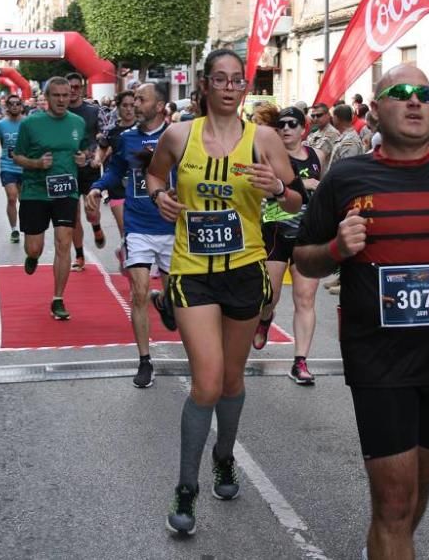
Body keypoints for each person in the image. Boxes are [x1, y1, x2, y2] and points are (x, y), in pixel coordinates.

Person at [293, 64, 429, 560]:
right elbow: (303, 257)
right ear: (376, 107)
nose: (415, 101)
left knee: (417, 492)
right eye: (401, 93)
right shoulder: (348, 177)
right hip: (379, 359)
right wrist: (335, 247)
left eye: (425, 93)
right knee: (393, 505)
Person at [146, 49, 302, 536]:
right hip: (192, 272)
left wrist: (276, 189)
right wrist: (159, 196)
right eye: (221, 79)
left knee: (233, 382)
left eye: (238, 80)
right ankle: (186, 488)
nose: (230, 87)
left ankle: (225, 457)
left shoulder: (265, 139)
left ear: (244, 87)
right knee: (207, 383)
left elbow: (298, 198)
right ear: (205, 84)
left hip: (244, 270)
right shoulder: (179, 135)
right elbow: (154, 174)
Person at [86, 82, 175, 389]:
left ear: (160, 106)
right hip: (137, 226)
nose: (135, 103)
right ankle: (144, 360)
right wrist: (98, 187)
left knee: (177, 296)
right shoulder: (126, 138)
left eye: (141, 99)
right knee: (137, 292)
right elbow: (115, 171)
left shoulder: (177, 137)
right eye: (134, 98)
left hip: (172, 226)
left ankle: (165, 302)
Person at [253, 105, 325, 385]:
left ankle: (300, 361)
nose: (285, 128)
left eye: (292, 124)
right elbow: (257, 189)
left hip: (308, 236)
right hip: (276, 232)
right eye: (281, 124)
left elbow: (324, 188)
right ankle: (265, 317)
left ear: (303, 128)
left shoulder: (318, 155)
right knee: (268, 296)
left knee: (305, 298)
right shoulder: (269, 156)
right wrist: (297, 184)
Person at [12, 76, 89, 321]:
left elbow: (84, 150)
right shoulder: (30, 124)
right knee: (35, 247)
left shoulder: (77, 122)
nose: (62, 100)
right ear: (46, 97)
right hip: (35, 191)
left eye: (66, 95)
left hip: (66, 190)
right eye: (56, 95)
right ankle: (32, 256)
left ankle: (58, 298)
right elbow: (17, 156)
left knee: (63, 242)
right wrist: (35, 163)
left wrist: (83, 158)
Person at [66, 72, 107, 267]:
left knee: (91, 213)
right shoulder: (60, 112)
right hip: (68, 170)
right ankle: (79, 255)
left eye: (76, 87)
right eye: (69, 87)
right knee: (73, 217)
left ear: (82, 89)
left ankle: (97, 226)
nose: (72, 91)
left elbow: (104, 137)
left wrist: (93, 155)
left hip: (89, 168)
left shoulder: (94, 110)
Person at [94, 89, 137, 240]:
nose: (129, 109)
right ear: (118, 108)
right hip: (117, 186)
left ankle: (125, 257)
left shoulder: (144, 129)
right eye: (125, 105)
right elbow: (102, 148)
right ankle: (125, 259)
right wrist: (97, 159)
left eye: (132, 105)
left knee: (138, 234)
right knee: (126, 234)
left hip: (141, 187)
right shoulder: (111, 131)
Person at [0, 95, 26, 243]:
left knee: (24, 200)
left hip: (26, 166)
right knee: (12, 197)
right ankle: (14, 229)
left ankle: (26, 226)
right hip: (7, 165)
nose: (15, 106)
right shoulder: (1, 125)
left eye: (18, 103)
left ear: (21, 106)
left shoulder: (28, 123)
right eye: (12, 104)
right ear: (7, 107)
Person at [306, 102, 339, 168]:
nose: (315, 118)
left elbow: (316, 156)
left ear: (328, 115)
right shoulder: (314, 134)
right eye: (313, 116)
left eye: (319, 115)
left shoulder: (332, 134)